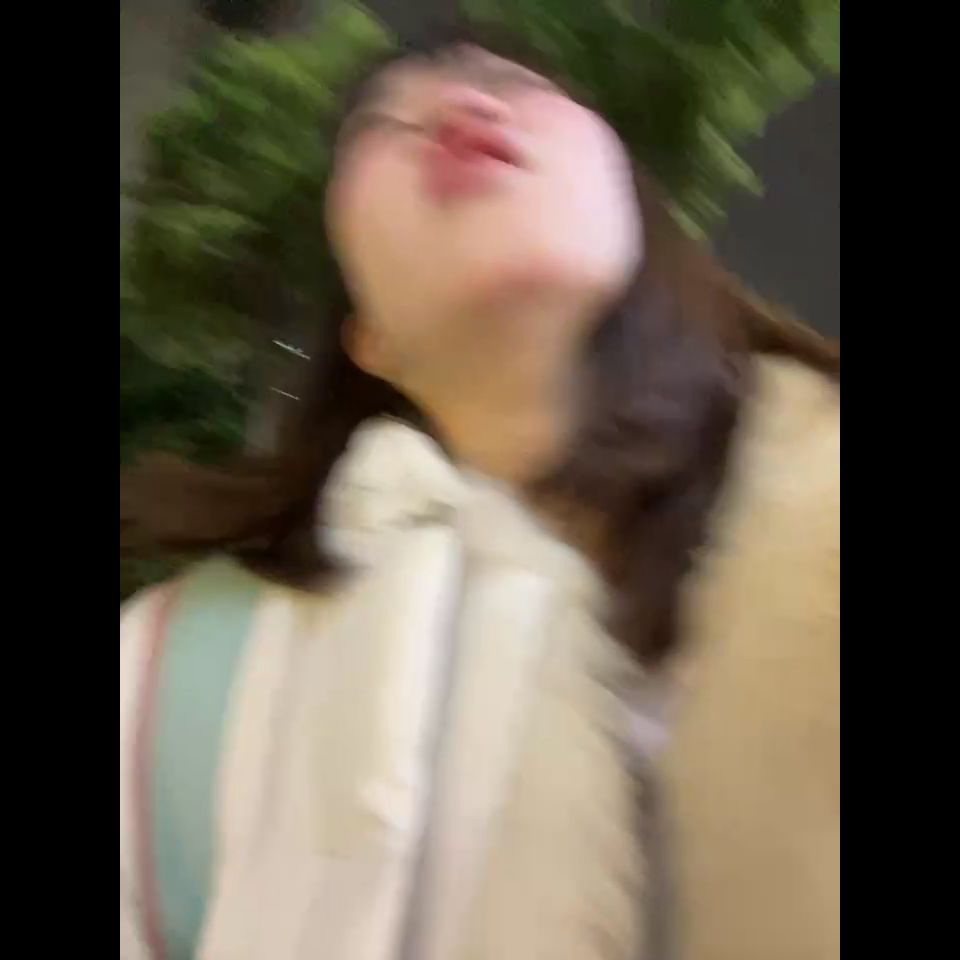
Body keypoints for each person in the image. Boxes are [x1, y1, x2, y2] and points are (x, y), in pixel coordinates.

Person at [120, 41, 839, 960]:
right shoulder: (169, 687)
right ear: (370, 340)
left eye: (517, 86)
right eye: (380, 123)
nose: (462, 106)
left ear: (636, 207)